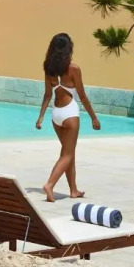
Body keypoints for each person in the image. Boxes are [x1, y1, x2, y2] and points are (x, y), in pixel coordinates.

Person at [36, 33, 100, 202]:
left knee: (68, 153)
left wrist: (41, 117)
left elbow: (47, 95)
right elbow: (83, 96)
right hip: (70, 113)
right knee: (67, 154)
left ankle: (73, 190)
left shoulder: (49, 69)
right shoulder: (74, 68)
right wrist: (94, 118)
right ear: (68, 48)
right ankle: (50, 184)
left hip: (56, 115)